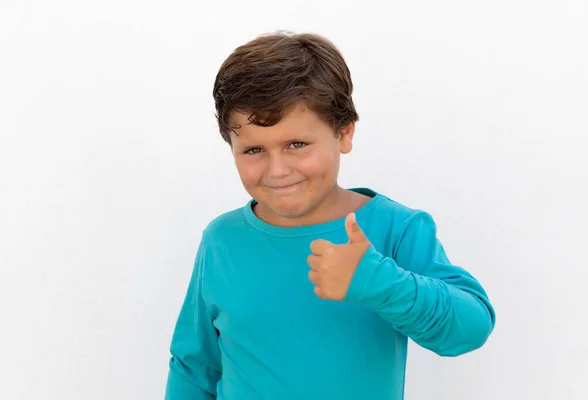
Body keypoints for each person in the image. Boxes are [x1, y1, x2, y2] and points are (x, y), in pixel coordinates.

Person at [164, 31, 495, 400]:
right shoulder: (221, 240)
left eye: (297, 144)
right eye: (254, 149)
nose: (277, 170)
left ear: (344, 133)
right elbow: (195, 367)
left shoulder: (395, 229)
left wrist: (382, 282)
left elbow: (471, 329)